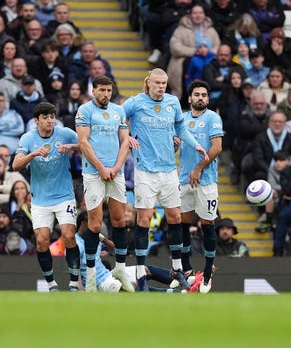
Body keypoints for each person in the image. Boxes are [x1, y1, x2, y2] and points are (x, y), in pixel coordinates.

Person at [123, 68, 209, 292]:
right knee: (144, 219)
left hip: (169, 170)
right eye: (157, 82)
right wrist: (127, 136)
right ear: (148, 83)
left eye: (164, 83)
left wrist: (194, 144)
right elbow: (118, 118)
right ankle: (141, 268)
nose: (161, 86)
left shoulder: (171, 103)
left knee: (174, 217)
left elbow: (181, 127)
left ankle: (177, 267)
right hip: (145, 171)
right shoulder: (136, 102)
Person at [75, 76, 134, 293]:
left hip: (115, 173)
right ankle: (91, 274)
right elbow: (83, 142)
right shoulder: (85, 110)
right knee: (95, 223)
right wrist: (101, 168)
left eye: (109, 90)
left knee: (119, 220)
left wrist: (117, 167)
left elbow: (125, 141)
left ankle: (119, 269)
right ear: (94, 90)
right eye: (102, 90)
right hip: (93, 174)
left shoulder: (119, 111)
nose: (106, 94)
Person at [13, 102, 80, 292]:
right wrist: (33, 154)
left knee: (68, 236)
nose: (50, 120)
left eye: (52, 116)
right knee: (42, 241)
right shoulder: (28, 138)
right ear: (36, 121)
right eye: (45, 117)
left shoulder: (64, 133)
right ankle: (52, 284)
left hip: (64, 196)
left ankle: (74, 284)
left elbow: (86, 145)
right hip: (40, 199)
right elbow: (15, 165)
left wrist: (72, 147)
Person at [177, 81, 223, 293]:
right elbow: (175, 143)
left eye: (204, 95)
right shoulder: (183, 119)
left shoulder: (212, 117)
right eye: (197, 94)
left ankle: (207, 272)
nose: (201, 98)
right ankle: (186, 269)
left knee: (207, 223)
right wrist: (174, 144)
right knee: (183, 222)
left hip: (206, 180)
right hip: (184, 179)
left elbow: (216, 147)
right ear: (189, 98)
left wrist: (198, 169)